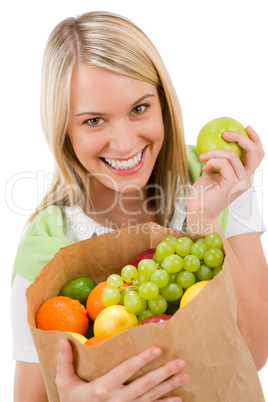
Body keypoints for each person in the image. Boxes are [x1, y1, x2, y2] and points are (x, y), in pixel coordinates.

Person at [11, 11, 268, 402]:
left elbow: (256, 352)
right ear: (63, 128)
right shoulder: (47, 242)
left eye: (139, 109)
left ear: (162, 101)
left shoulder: (215, 175)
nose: (126, 143)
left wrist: (204, 218)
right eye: (94, 120)